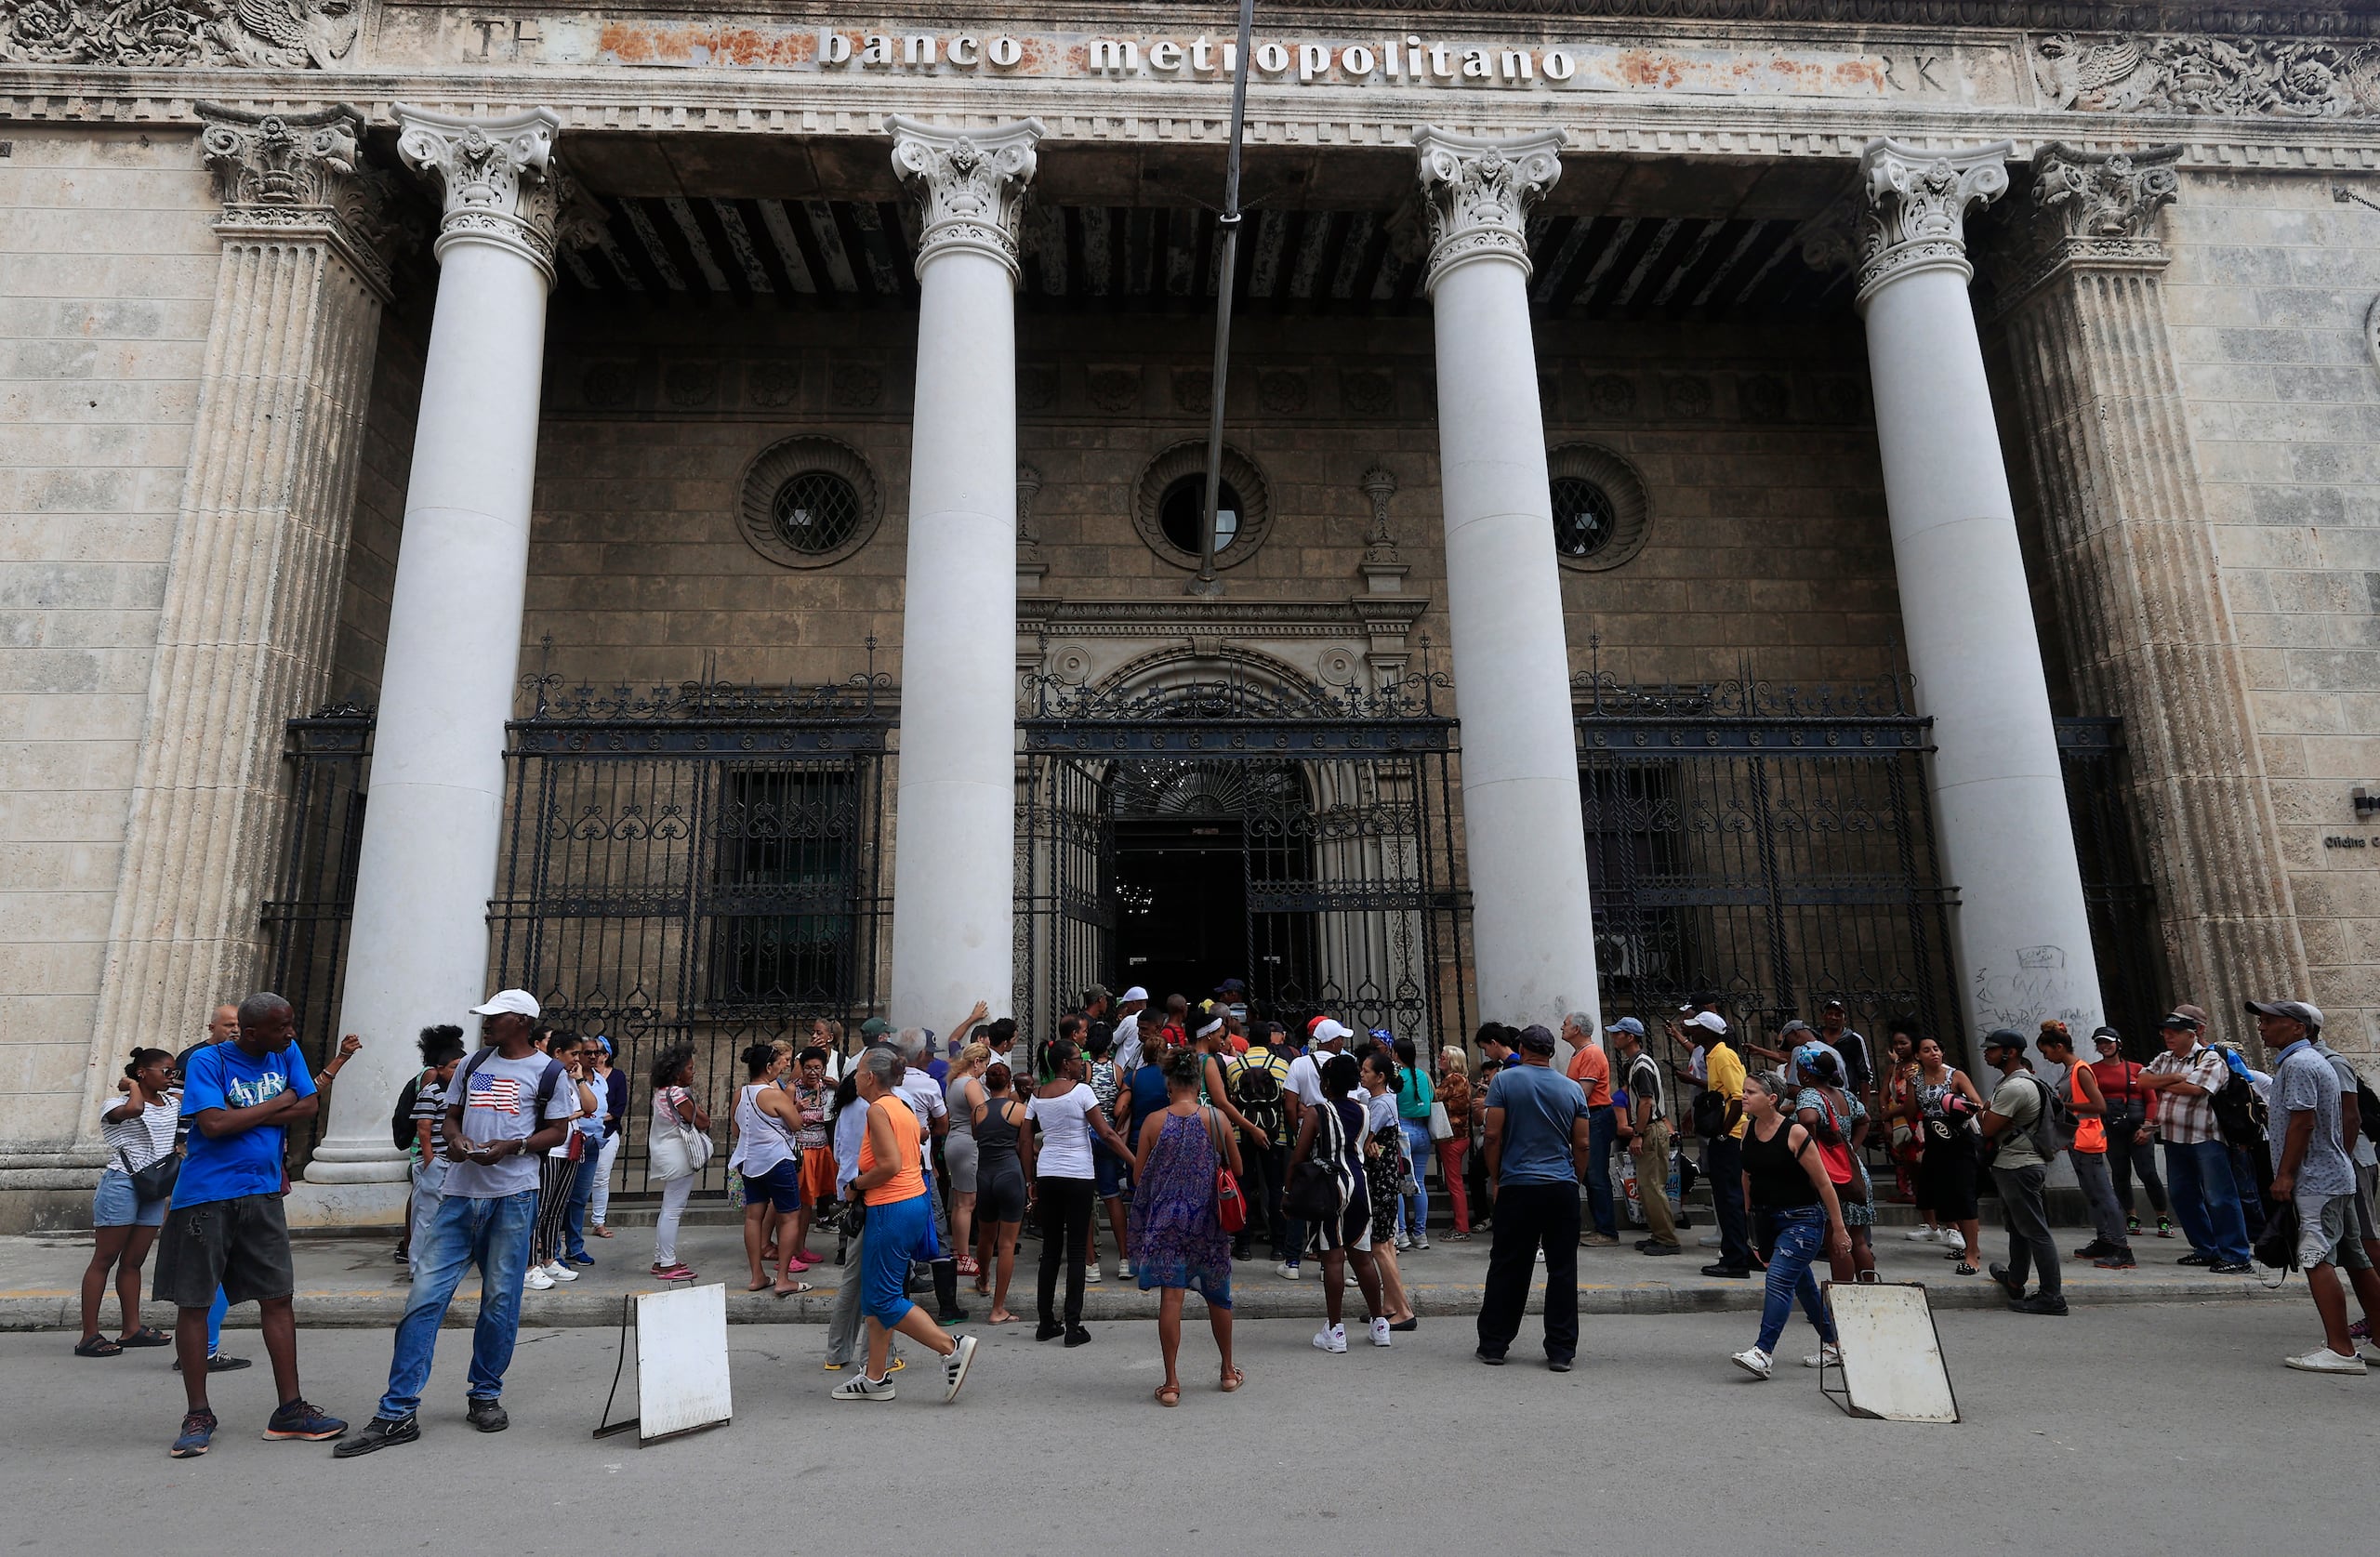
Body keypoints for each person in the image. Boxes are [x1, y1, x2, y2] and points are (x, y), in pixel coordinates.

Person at [333, 990, 576, 1456]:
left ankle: (485, 1394)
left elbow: (558, 1131)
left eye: (495, 1017)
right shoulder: (472, 1064)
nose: (485, 1024)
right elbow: (450, 1118)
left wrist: (513, 1146)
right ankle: (397, 1411)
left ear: (522, 1022)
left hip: (513, 1198)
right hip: (459, 1196)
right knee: (424, 1298)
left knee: (500, 1300)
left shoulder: (548, 1073)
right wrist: (458, 1138)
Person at [152, 991, 345, 1458]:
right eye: (283, 1028)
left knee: (278, 1298)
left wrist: (260, 1111)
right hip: (206, 1197)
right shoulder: (207, 1061)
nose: (292, 1034)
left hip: (261, 1194)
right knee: (195, 1302)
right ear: (252, 1031)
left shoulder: (287, 1052)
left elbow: (309, 1107)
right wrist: (279, 1101)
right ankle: (198, 1412)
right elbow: (214, 1125)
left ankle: (290, 1409)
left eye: (292, 1024)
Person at [832, 1048, 980, 1404]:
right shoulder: (901, 1105)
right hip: (911, 1203)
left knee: (883, 1298)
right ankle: (875, 1377)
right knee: (877, 1296)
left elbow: (889, 1165)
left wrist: (854, 1186)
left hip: (890, 1208)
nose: (855, 1076)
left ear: (870, 1077)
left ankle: (951, 1347)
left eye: (860, 1070)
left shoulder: (879, 1109)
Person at [2248, 1000, 2380, 1373]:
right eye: (2262, 1020)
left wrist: (2285, 1174)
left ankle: (2340, 1350)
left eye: (2272, 1021)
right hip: (2332, 1176)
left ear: (2298, 1028)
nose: (2263, 1027)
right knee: (2357, 1259)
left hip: (2316, 1180)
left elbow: (2303, 1122)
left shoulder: (2302, 1064)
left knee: (2315, 1258)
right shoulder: (2304, 1062)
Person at [1130, 1049, 1245, 1404]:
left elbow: (1138, 1177)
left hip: (1166, 1222)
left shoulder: (1153, 1122)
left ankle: (1171, 1383)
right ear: (1198, 1084)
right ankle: (1227, 1371)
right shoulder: (1217, 1119)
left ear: (1169, 1084)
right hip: (1207, 1220)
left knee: (1171, 1298)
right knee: (1218, 1296)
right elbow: (1236, 1169)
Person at [1474, 1024, 1591, 1368]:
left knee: (1508, 1265)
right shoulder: (1572, 1090)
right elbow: (1582, 1143)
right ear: (1551, 1053)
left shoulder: (1505, 1082)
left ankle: (1494, 1343)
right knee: (1563, 1269)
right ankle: (1561, 1350)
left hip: (1518, 1184)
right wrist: (1575, 1179)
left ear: (1521, 1049)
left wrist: (1497, 1178)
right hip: (1561, 1186)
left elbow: (1492, 1135)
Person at [1728, 1074, 1850, 1379]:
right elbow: (1746, 1178)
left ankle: (1763, 1352)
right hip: (1767, 1219)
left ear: (1772, 1099)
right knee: (1804, 1285)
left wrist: (1839, 1229)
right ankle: (1834, 1343)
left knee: (1779, 1279)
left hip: (1802, 1221)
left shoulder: (1794, 1133)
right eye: (1743, 1091)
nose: (1743, 1096)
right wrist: (1750, 1220)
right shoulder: (1747, 1129)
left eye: (1750, 1092)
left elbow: (1824, 1184)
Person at [1030, 1038, 1135, 1344]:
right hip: (1077, 1175)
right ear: (1065, 1064)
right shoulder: (1082, 1092)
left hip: (1047, 1174)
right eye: (1078, 1059)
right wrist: (1135, 1162)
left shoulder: (1037, 1095)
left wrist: (1030, 1181)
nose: (1082, 1064)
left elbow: (1026, 1141)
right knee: (1077, 1250)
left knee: (1050, 1251)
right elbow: (1107, 1133)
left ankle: (1046, 1323)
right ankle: (1073, 1326)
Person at [76, 1048, 180, 1357]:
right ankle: (89, 1336)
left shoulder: (172, 1103)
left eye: (173, 1071)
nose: (171, 1077)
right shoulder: (115, 1104)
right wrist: (133, 1087)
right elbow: (135, 1110)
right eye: (166, 1071)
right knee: (104, 1259)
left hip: (154, 1187)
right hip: (122, 1183)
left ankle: (131, 1329)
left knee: (134, 1261)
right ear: (142, 1072)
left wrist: (166, 1085)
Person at [2139, 1009, 2253, 1273]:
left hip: (2205, 1136)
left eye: (2174, 1033)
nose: (2168, 1037)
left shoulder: (2210, 1058)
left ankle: (2236, 1254)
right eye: (2165, 1032)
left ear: (2191, 1035)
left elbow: (2196, 1089)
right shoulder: (2165, 1059)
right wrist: (2175, 1078)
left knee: (2219, 1196)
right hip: (2173, 1137)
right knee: (2182, 1195)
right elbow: (2143, 1081)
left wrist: (2163, 1083)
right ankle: (2206, 1248)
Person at [1289, 1051, 1388, 1353]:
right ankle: (1380, 1324)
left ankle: (1335, 1330)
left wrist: (1288, 1188)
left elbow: (1300, 1153)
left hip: (1331, 1187)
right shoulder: (1364, 1110)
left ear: (1327, 1083)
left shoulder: (1317, 1112)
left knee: (1333, 1258)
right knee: (1362, 1256)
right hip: (1360, 1184)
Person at [1976, 1032, 2067, 1315]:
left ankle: (2052, 1296)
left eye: (1992, 1049)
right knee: (2018, 1227)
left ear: (2011, 1052)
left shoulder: (2016, 1087)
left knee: (2035, 1231)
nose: (1986, 1054)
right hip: (2016, 1163)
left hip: (2019, 1165)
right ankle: (2015, 1280)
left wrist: (1982, 1113)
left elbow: (1988, 1127)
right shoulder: (2021, 1081)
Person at [2038, 1023, 2133, 1269]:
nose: (2045, 1056)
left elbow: (2099, 1105)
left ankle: (2121, 1247)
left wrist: (2062, 1107)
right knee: (2093, 1194)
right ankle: (2105, 1239)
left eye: (2046, 1050)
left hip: (2088, 1138)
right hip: (2076, 1139)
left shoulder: (2080, 1070)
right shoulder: (2072, 1070)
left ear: (2059, 1047)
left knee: (2103, 1194)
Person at [727, 1042, 813, 1296]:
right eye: (778, 1064)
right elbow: (796, 1125)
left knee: (754, 1217)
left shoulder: (740, 1093)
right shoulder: (773, 1094)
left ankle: (757, 1276)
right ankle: (784, 1278)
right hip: (777, 1161)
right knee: (789, 1217)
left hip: (749, 1161)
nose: (781, 1068)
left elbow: (735, 1129)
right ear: (767, 1067)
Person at [1902, 1034, 1986, 1275]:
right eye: (1927, 1050)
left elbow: (1977, 1104)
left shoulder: (1955, 1076)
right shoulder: (1917, 1080)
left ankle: (1972, 1254)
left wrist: (1957, 1105)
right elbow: (1910, 1112)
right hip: (1935, 1141)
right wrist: (1909, 1085)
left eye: (1936, 1048)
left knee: (1964, 1194)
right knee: (1944, 1194)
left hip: (1960, 1140)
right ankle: (1966, 1243)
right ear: (1918, 1056)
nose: (1934, 1053)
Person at [1792, 1043, 1874, 1283]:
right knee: (1858, 1240)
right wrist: (1851, 1148)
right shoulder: (1844, 1095)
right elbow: (1865, 1119)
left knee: (1836, 1239)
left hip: (1832, 1175)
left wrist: (1812, 1152)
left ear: (1807, 1073)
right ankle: (1868, 1291)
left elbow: (1808, 1118)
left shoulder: (1809, 1094)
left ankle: (1841, 1295)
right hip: (1854, 1171)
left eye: (1799, 1068)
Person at [1277, 1016, 1353, 1280]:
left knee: (1300, 1194)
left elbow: (1289, 1104)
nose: (1343, 1041)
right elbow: (1350, 1101)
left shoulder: (1299, 1064)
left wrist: (1297, 1128)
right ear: (1332, 1041)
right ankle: (1325, 1263)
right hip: (1335, 1136)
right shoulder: (1346, 1064)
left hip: (1305, 1133)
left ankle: (1292, 1262)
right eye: (1340, 1038)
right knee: (1329, 1197)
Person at [524, 1028, 594, 1291]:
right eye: (574, 1053)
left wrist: (579, 1080)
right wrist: (573, 1115)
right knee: (540, 1210)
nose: (578, 1059)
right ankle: (530, 1265)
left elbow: (590, 1107)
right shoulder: (547, 1077)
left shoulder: (569, 1078)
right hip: (552, 1151)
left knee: (557, 1209)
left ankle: (549, 1259)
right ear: (557, 1053)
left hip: (571, 1149)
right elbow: (558, 1114)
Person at [1684, 1011, 1752, 1278]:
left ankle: (1736, 1260)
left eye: (1696, 1028)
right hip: (1725, 1136)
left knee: (1729, 1199)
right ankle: (1738, 1253)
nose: (1692, 1032)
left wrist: (1723, 1133)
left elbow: (1737, 1097)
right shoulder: (1712, 1055)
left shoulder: (1722, 1056)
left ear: (1708, 1033)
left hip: (1730, 1137)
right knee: (1727, 1199)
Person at [2089, 1026, 2173, 1239]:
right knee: (2120, 1174)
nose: (2104, 1046)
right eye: (2100, 1043)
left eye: (2108, 1041)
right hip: (2113, 1128)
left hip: (2139, 1128)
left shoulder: (2137, 1069)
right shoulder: (2093, 1071)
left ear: (2118, 1043)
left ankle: (2163, 1218)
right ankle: (2131, 1217)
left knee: (2148, 1173)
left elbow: (2151, 1100)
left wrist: (2147, 1127)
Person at [1357, 1049, 1420, 1330]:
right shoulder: (1383, 1101)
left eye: (1366, 1071)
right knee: (1386, 1246)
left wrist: (1369, 1144)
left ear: (1380, 1077)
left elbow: (1363, 1140)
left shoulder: (1380, 1105)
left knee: (1380, 1246)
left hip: (1379, 1181)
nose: (1362, 1074)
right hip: (1384, 1178)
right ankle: (1390, 1305)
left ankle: (1403, 1310)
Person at [1607, 1019, 1681, 1257]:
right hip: (1651, 1128)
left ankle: (1666, 1239)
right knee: (1648, 1186)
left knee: (1651, 1186)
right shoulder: (1639, 1063)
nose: (1614, 1037)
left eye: (1618, 1034)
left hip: (1650, 1129)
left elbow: (1646, 1102)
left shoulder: (1640, 1066)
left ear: (1630, 1037)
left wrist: (1638, 1134)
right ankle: (1659, 1234)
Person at [970, 1062, 1033, 1324]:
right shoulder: (1019, 1110)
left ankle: (983, 1280)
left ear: (986, 1084)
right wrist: (1030, 1182)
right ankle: (998, 1309)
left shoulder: (978, 1111)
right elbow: (1025, 1144)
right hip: (1010, 1174)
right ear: (1009, 1085)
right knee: (1007, 1244)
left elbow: (976, 1137)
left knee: (986, 1237)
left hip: (984, 1175)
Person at [403, 1027, 467, 1282]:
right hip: (436, 1162)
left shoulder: (460, 1094)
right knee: (426, 1218)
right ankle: (417, 1268)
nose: (458, 1072)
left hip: (452, 1164)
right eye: (453, 1067)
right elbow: (424, 1129)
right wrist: (430, 1162)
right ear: (439, 1069)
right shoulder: (431, 1092)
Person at [1226, 1026, 1292, 1259]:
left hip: (1241, 1133)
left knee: (1243, 1187)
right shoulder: (1282, 1065)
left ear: (1247, 1041)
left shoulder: (1235, 1065)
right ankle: (1278, 1246)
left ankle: (1243, 1245)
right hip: (1276, 1135)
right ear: (1269, 1042)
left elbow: (1231, 1098)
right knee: (1275, 1189)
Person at [646, 1045, 709, 1282]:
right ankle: (667, 1263)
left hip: (667, 1152)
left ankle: (661, 1259)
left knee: (668, 1208)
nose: (693, 1072)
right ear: (677, 1071)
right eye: (690, 1068)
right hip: (678, 1155)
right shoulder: (677, 1093)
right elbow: (703, 1121)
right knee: (673, 1210)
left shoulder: (662, 1092)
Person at [1563, 1011, 1618, 1247]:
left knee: (1595, 1174)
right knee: (1589, 1174)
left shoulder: (1591, 1054)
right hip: (1589, 1118)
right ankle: (1601, 1227)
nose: (1562, 1027)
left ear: (1577, 1029)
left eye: (1566, 1024)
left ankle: (1607, 1231)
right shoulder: (1580, 1054)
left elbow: (1582, 1092)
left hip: (1596, 1116)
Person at [943, 1040, 990, 1279]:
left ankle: (957, 1251)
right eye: (984, 1065)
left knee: (959, 1201)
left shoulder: (953, 1082)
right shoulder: (970, 1083)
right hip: (967, 1143)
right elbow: (982, 1114)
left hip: (954, 1141)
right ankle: (963, 1257)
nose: (984, 1071)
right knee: (966, 1204)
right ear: (977, 1061)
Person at [787, 1047, 835, 1268]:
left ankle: (800, 1248)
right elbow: (784, 1121)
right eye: (808, 1068)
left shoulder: (826, 1088)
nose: (812, 1072)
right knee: (797, 1203)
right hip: (800, 1151)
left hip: (821, 1149)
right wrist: (796, 1108)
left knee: (809, 1202)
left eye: (817, 1068)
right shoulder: (792, 1089)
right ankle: (790, 1251)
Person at [1390, 1036, 1436, 1250]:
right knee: (1419, 1183)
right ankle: (1420, 1233)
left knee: (1398, 1185)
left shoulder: (1397, 1076)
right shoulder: (1422, 1075)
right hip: (1423, 1131)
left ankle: (1401, 1232)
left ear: (1396, 1055)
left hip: (1403, 1132)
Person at [579, 1035, 626, 1244]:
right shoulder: (582, 1075)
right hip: (582, 1131)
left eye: (596, 1052)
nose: (592, 1055)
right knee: (576, 1180)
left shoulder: (616, 1077)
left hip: (607, 1132)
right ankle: (567, 1224)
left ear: (605, 1055)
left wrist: (595, 1115)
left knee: (601, 1178)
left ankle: (599, 1221)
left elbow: (618, 1108)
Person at [1435, 1045, 1475, 1241]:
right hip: (1461, 1136)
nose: (1439, 1060)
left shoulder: (1452, 1080)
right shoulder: (1463, 1080)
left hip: (1452, 1137)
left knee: (1455, 1184)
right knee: (1455, 1182)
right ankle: (1460, 1225)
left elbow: (1434, 1097)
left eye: (1443, 1057)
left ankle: (1462, 1227)